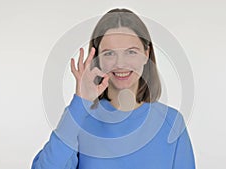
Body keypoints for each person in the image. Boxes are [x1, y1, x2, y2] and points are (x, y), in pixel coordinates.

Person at [32, 8, 195, 169]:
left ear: (146, 54)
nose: (120, 63)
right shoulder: (79, 121)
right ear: (97, 59)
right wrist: (80, 103)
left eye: (131, 52)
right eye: (109, 53)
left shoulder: (172, 123)